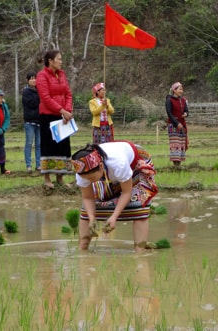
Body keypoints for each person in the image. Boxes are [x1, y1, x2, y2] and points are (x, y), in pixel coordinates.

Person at [71, 141, 158, 252]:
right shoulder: (82, 171)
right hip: (108, 173)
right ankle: (82, 250)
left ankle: (140, 251)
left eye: (92, 178)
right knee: (86, 212)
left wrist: (114, 217)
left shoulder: (118, 163)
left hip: (136, 164)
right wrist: (92, 218)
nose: (90, 181)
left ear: (101, 166)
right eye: (87, 179)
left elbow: (126, 192)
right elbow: (88, 198)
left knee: (138, 205)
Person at [36, 49, 74, 188]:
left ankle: (60, 178)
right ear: (50, 61)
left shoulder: (62, 75)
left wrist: (67, 112)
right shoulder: (42, 76)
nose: (61, 61)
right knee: (49, 147)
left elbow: (68, 94)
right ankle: (47, 179)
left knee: (63, 147)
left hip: (63, 117)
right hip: (48, 116)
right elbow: (46, 98)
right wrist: (62, 110)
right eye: (58, 59)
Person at [166, 82, 189, 167]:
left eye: (182, 89)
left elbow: (187, 111)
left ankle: (178, 164)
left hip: (182, 125)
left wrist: (186, 114)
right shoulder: (169, 100)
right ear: (174, 90)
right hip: (173, 126)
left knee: (181, 144)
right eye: (179, 89)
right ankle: (176, 165)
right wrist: (176, 123)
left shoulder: (183, 100)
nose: (181, 91)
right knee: (175, 145)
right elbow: (169, 113)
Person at [22, 72, 41, 172]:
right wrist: (40, 95)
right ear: (28, 80)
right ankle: (28, 165)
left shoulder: (40, 91)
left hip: (39, 121)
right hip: (29, 121)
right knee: (29, 143)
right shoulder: (26, 92)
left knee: (39, 144)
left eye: (35, 78)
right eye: (31, 79)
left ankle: (38, 165)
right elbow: (32, 104)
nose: (34, 80)